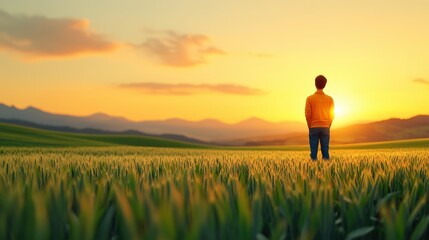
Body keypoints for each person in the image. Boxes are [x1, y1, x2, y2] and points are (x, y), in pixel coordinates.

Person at [305, 75, 335, 160]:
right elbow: (332, 115)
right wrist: (328, 126)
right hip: (325, 127)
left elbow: (307, 115)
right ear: (325, 85)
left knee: (313, 154)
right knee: (325, 153)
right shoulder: (330, 99)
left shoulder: (309, 98)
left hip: (313, 127)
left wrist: (310, 126)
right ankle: (326, 172)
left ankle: (312, 172)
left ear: (315, 84)